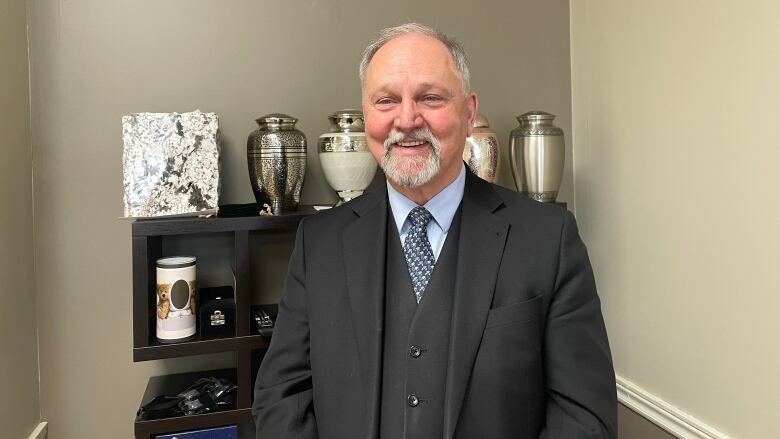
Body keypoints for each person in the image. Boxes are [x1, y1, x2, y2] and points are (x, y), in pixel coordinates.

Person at [252, 23, 617, 439]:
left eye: (430, 97)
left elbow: (584, 416)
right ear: (367, 113)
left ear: (469, 111)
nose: (406, 120)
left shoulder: (547, 238)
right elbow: (282, 395)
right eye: (386, 100)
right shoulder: (318, 244)